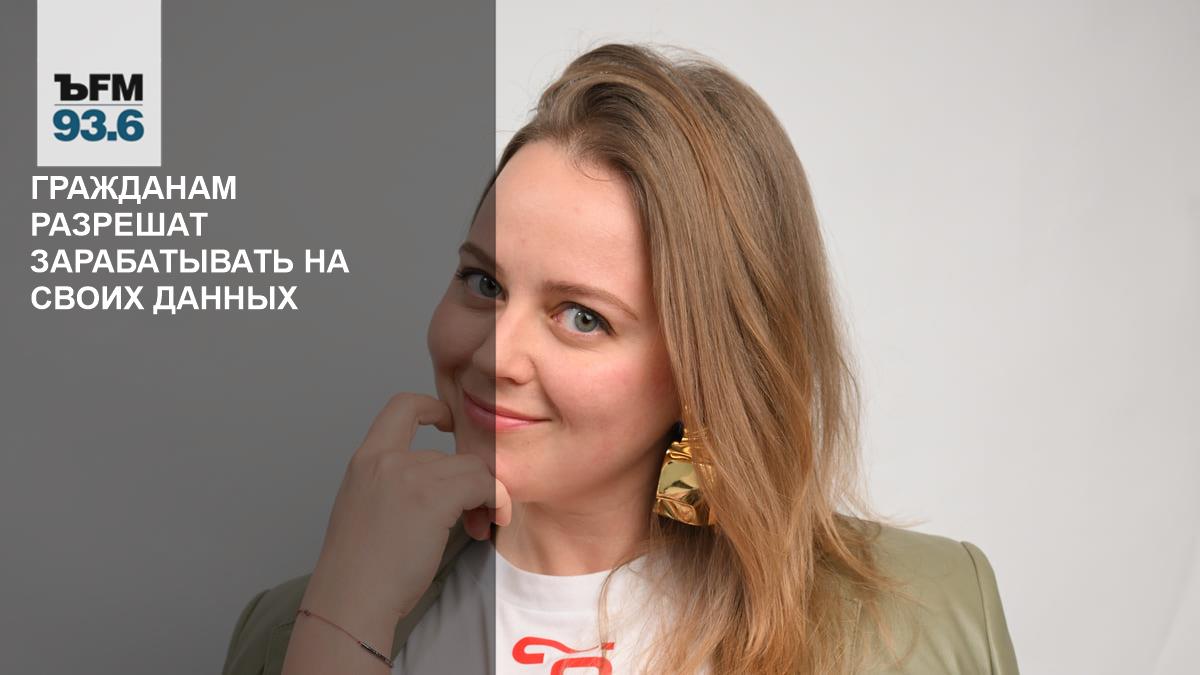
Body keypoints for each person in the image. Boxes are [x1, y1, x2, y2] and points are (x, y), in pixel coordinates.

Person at [221, 42, 1019, 674]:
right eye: (483, 283)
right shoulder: (294, 628)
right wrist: (341, 620)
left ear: (705, 370)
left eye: (582, 317)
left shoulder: (923, 620)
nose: (496, 355)